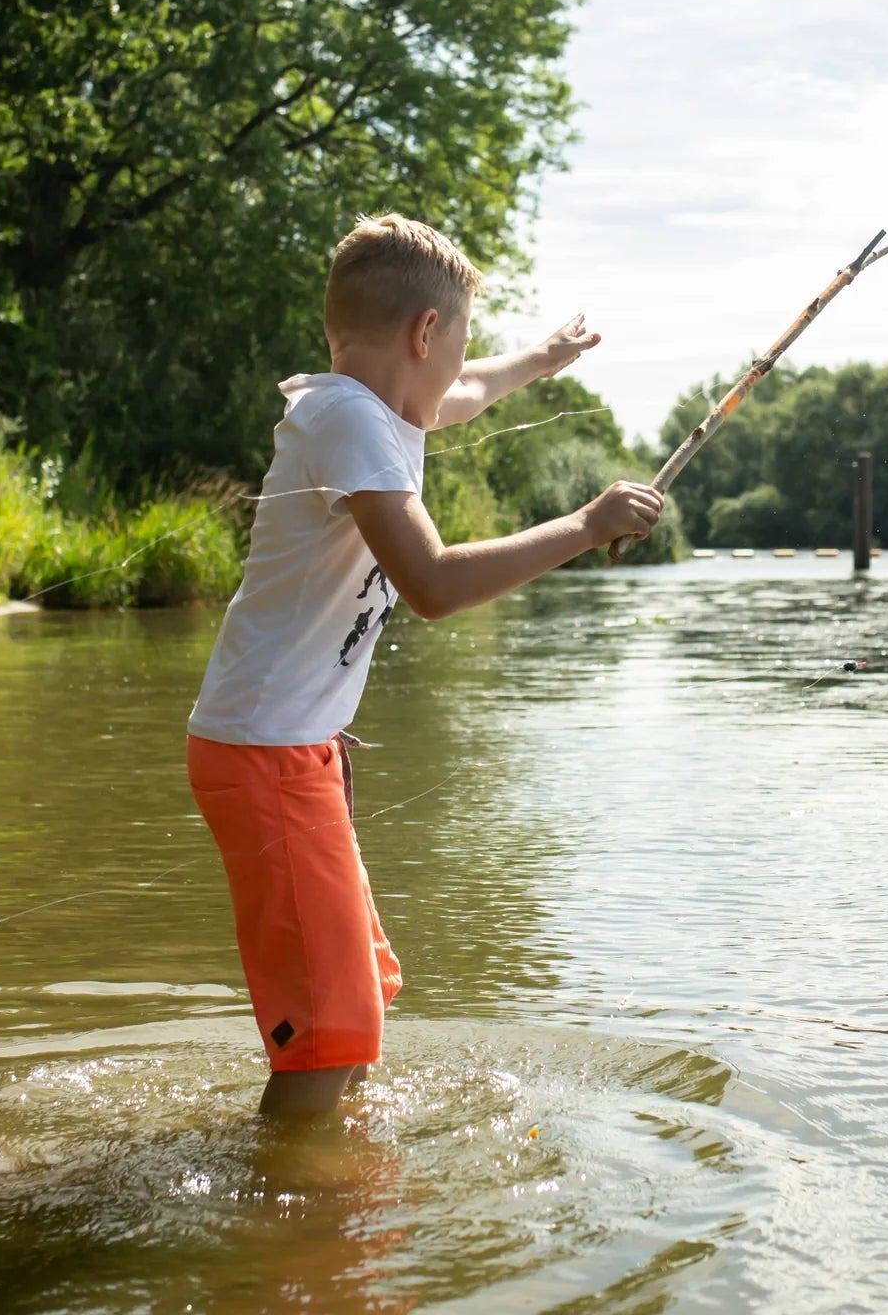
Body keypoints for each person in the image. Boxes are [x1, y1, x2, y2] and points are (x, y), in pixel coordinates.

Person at [185, 213, 663, 1116]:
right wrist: (585, 526)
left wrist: (539, 359)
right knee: (325, 1042)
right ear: (425, 333)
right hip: (266, 755)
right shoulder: (351, 424)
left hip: (289, 750)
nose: (461, 368)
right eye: (459, 343)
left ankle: (319, 1179)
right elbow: (434, 584)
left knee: (352, 1004)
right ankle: (297, 1231)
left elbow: (470, 389)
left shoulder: (360, 404)